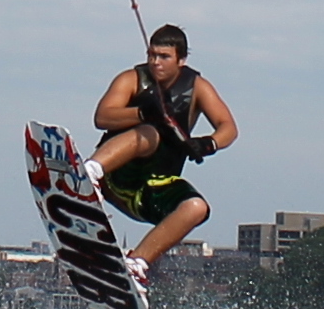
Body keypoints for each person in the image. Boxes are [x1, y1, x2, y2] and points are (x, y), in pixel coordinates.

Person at [88, 25, 236, 281]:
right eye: (151, 55)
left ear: (181, 59)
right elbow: (102, 117)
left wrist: (207, 144)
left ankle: (135, 266)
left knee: (196, 207)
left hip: (151, 189)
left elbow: (228, 128)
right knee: (150, 134)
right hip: (116, 177)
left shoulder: (198, 87)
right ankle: (89, 175)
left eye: (164, 57)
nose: (155, 62)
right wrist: (143, 113)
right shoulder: (131, 79)